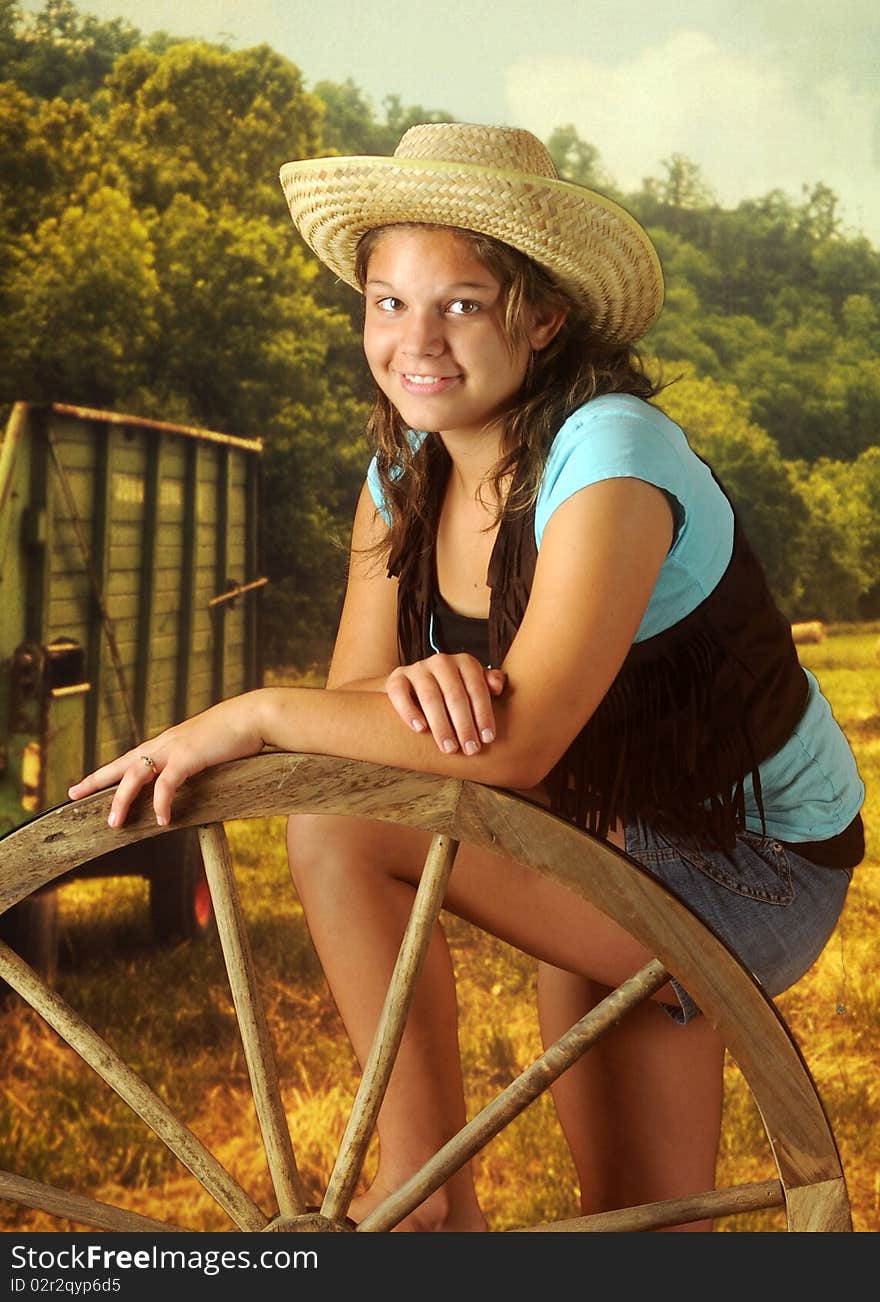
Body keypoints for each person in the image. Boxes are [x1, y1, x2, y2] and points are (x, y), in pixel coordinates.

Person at [69, 123, 865, 1232]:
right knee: (638, 1222)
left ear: (541, 319)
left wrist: (249, 711)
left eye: (461, 303)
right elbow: (347, 718)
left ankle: (430, 1209)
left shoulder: (613, 455)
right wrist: (406, 684)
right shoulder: (402, 474)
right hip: (601, 828)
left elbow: (515, 746)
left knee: (339, 829)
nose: (417, 340)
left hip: (750, 859)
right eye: (388, 303)